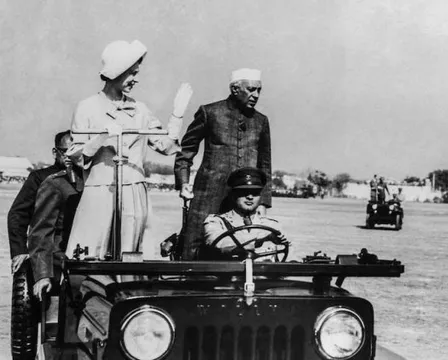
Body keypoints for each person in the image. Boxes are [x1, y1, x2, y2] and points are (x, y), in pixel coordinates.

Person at [65, 39, 193, 260]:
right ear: (116, 72)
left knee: (132, 254)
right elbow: (76, 157)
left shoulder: (140, 110)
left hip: (135, 191)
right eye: (131, 73)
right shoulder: (87, 107)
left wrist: (177, 115)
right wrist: (102, 136)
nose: (136, 79)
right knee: (90, 252)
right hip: (100, 191)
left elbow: (166, 145)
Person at [175, 68, 272, 260]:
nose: (256, 95)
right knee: (193, 245)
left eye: (259, 90)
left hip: (246, 197)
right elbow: (185, 152)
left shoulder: (261, 121)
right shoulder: (209, 112)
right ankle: (187, 284)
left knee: (243, 246)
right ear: (235, 89)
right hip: (207, 195)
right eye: (251, 89)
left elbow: (265, 164)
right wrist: (183, 183)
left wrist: (265, 202)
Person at [7, 131, 74, 275]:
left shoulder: (88, 180)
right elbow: (18, 214)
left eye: (73, 151)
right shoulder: (40, 178)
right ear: (55, 152)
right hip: (48, 249)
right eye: (64, 151)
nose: (69, 156)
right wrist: (19, 251)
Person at [29, 142, 84, 300]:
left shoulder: (101, 184)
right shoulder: (56, 184)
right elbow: (40, 231)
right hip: (63, 259)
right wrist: (42, 275)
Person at [201, 168, 288, 261]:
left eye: (255, 193)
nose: (250, 197)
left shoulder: (273, 226)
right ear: (234, 195)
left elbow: (290, 257)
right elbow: (218, 243)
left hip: (264, 274)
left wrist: (292, 261)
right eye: (244, 192)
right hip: (229, 274)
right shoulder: (215, 222)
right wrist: (259, 240)